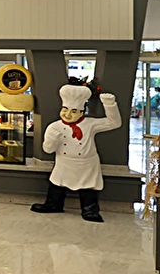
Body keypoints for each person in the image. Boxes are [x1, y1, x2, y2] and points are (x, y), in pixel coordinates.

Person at [32, 84, 121, 222]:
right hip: (64, 162)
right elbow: (48, 150)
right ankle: (53, 205)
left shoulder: (90, 124)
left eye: (73, 111)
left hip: (87, 164)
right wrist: (52, 140)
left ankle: (90, 210)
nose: (68, 114)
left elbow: (114, 123)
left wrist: (109, 105)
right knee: (57, 185)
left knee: (88, 188)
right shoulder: (54, 127)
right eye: (65, 109)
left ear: (81, 112)